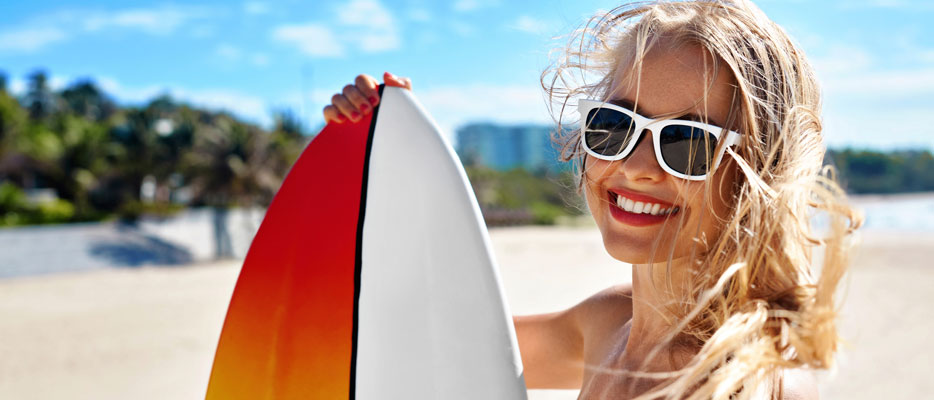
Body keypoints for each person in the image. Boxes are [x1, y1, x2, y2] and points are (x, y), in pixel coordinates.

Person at [322, 1, 861, 398]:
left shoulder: (745, 384)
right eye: (614, 126)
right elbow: (431, 347)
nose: (635, 166)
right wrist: (389, 148)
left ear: (758, 173)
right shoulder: (608, 325)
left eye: (687, 143)